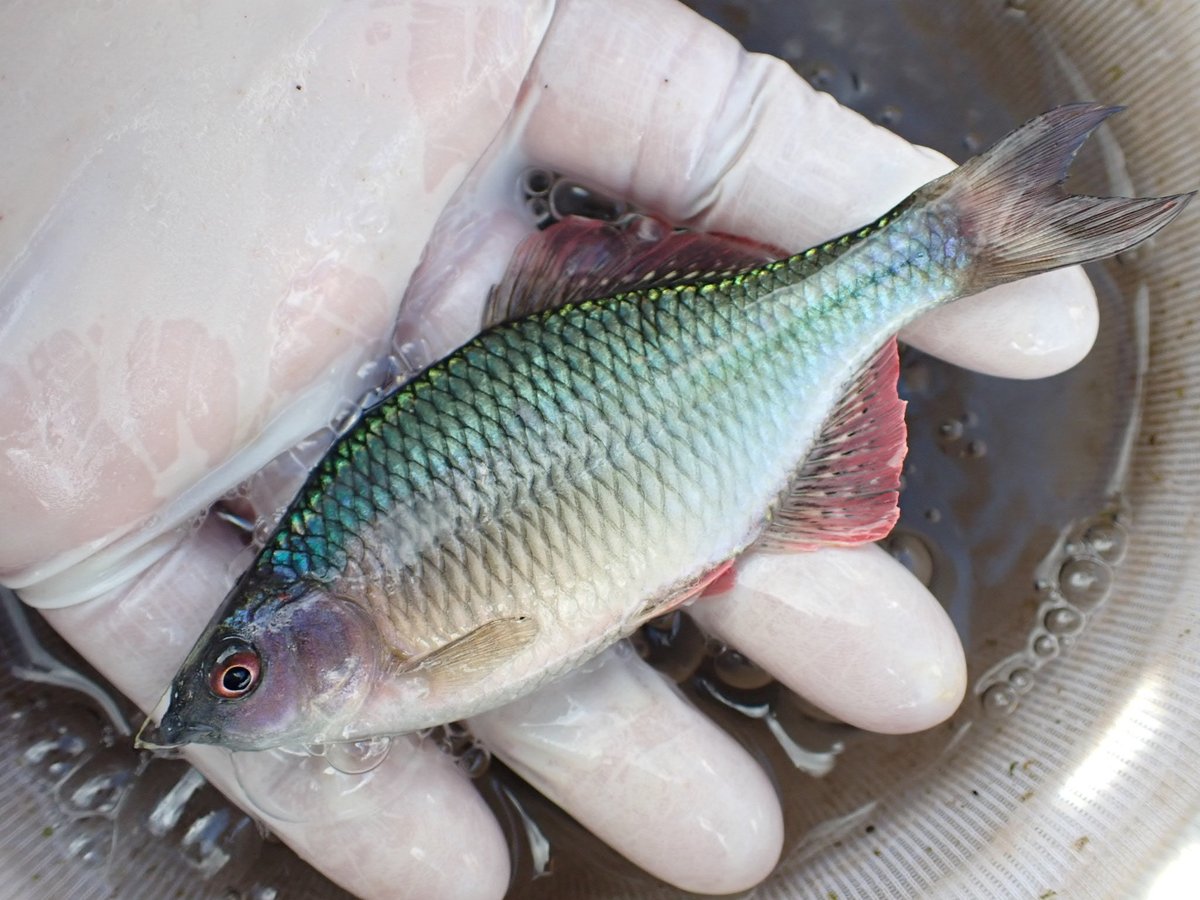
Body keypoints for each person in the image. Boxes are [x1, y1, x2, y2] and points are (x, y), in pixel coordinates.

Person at [0, 1, 1099, 897]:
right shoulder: (345, 610)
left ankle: (947, 241)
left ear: (300, 632)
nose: (218, 704)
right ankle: (957, 236)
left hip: (693, 431)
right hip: (692, 446)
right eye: (230, 678)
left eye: (238, 675)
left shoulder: (376, 639)